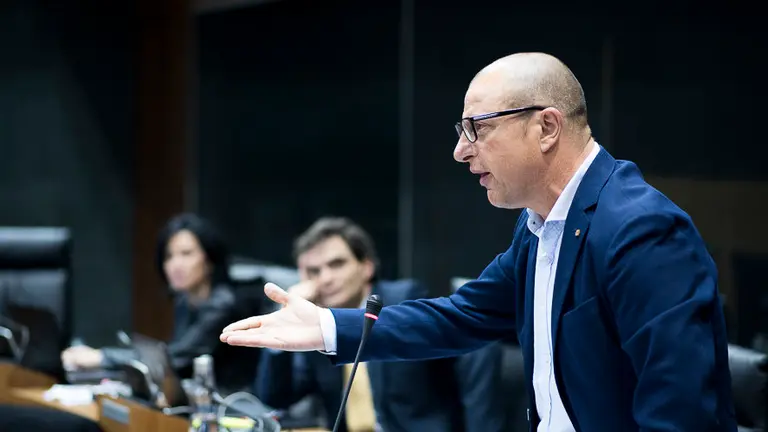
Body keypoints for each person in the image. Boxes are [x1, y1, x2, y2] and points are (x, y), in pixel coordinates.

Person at [220, 52, 737, 431]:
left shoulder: (641, 230)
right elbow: (462, 315)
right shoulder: (539, 226)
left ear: (547, 127)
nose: (460, 151)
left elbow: (681, 415)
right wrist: (328, 326)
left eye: (476, 128)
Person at [256, 217, 507, 432]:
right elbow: (275, 398)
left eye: (337, 264)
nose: (326, 278)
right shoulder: (317, 322)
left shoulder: (402, 300)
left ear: (367, 267)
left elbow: (479, 349)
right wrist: (283, 325)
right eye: (314, 271)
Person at [62, 213, 259, 394]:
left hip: (233, 406)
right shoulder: (184, 301)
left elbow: (175, 360)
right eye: (169, 256)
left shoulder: (224, 305)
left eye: (186, 254)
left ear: (209, 260)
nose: (175, 265)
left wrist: (101, 357)